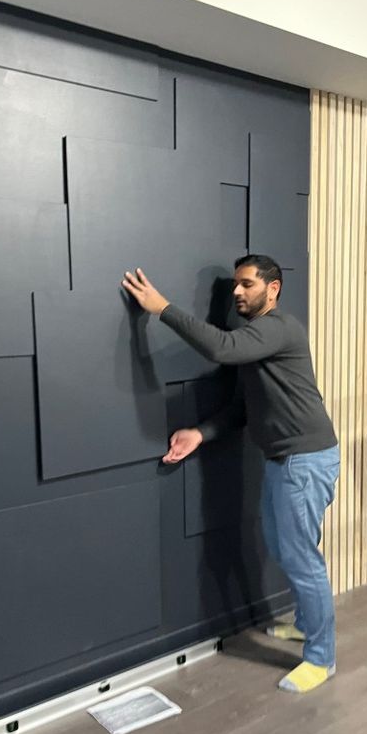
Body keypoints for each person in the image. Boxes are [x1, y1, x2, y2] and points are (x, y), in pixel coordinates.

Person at [121, 256, 339, 693]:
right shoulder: (255, 342)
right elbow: (242, 409)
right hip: (283, 460)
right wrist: (200, 434)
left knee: (301, 558)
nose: (237, 292)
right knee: (283, 548)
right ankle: (307, 623)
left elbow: (220, 348)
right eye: (235, 285)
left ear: (272, 290)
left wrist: (161, 307)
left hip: (305, 459)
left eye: (247, 284)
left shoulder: (279, 328)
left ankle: (322, 656)